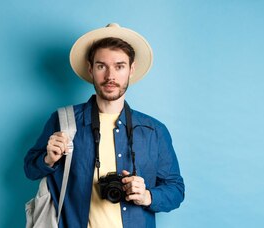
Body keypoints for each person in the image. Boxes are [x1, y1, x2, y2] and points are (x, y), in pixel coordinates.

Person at [24, 23, 184, 228]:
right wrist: (49, 158)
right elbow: (30, 169)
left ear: (131, 70)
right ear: (91, 69)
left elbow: (176, 190)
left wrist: (147, 196)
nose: (110, 76)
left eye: (119, 66)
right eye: (101, 66)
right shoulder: (64, 120)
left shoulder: (154, 131)